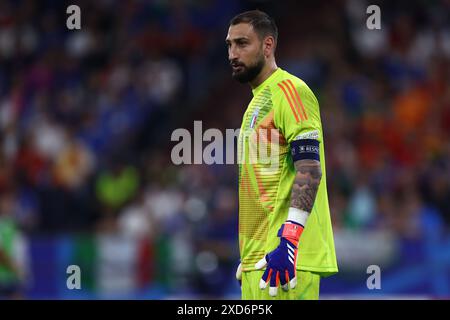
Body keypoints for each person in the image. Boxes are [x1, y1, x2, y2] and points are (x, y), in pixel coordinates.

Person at [226, 10, 338, 300]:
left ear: (267, 46)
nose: (233, 53)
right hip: (260, 263)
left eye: (242, 43)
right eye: (229, 45)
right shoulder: (256, 103)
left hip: (286, 263)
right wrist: (250, 256)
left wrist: (289, 241)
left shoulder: (291, 91)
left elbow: (310, 169)